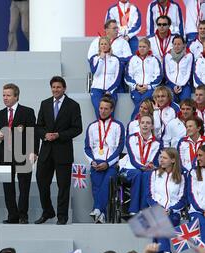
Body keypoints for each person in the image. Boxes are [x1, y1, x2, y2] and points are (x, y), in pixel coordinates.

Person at [35, 76, 82, 225]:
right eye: (53, 87)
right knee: (42, 182)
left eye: (58, 87)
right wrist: (44, 135)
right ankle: (47, 211)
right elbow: (38, 126)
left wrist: (59, 135)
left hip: (63, 152)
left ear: (64, 88)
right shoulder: (45, 103)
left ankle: (62, 216)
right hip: (46, 151)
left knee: (63, 186)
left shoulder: (73, 105)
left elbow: (77, 128)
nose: (55, 90)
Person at [0, 83, 38, 224]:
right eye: (3, 95)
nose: (5, 98)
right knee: (8, 187)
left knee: (24, 186)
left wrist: (34, 152)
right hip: (5, 155)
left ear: (16, 96)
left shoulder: (27, 112)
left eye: (8, 95)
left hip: (23, 154)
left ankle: (23, 215)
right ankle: (12, 216)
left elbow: (34, 134)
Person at [84, 96, 125, 224]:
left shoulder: (118, 126)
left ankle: (97, 209)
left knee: (107, 184)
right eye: (101, 108)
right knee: (96, 187)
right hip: (96, 163)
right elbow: (87, 148)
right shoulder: (92, 126)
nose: (102, 111)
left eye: (106, 109)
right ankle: (101, 215)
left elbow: (119, 148)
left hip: (111, 164)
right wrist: (92, 162)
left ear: (111, 110)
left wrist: (108, 163)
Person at [147, 148, 186, 253]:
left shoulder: (182, 177)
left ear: (173, 160)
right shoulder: (154, 174)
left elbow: (183, 199)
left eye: (164, 158)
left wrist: (170, 210)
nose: (161, 160)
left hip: (173, 214)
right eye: (161, 157)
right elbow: (149, 196)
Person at [121, 114, 161, 215]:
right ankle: (133, 209)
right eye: (142, 123)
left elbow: (155, 160)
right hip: (129, 169)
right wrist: (142, 167)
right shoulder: (131, 138)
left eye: (148, 123)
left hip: (147, 170)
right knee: (138, 173)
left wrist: (151, 166)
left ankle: (144, 209)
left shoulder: (157, 143)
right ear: (139, 124)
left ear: (152, 126)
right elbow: (133, 158)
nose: (145, 125)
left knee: (147, 175)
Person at [87, 19, 131, 93]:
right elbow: (90, 58)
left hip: (117, 72)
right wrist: (102, 58)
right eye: (114, 28)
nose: (117, 30)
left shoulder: (123, 42)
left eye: (117, 28)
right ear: (107, 30)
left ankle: (118, 89)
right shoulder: (97, 41)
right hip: (100, 72)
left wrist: (114, 60)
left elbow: (129, 58)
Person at [125, 38, 162, 119]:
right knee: (143, 105)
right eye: (140, 46)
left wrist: (148, 86)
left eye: (144, 47)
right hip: (136, 89)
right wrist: (136, 86)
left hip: (150, 89)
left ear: (149, 48)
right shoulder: (133, 59)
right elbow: (128, 76)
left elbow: (159, 76)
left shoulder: (154, 60)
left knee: (142, 104)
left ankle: (133, 121)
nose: (141, 48)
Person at [89, 36, 122, 118]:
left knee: (110, 114)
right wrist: (101, 59)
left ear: (109, 45)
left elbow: (118, 77)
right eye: (101, 44)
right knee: (99, 112)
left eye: (105, 44)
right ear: (99, 46)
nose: (103, 46)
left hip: (110, 91)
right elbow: (95, 73)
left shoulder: (116, 60)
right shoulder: (94, 58)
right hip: (96, 90)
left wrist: (110, 90)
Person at [164, 35, 194, 103]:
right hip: (171, 84)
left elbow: (189, 73)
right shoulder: (167, 56)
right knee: (170, 102)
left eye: (179, 44)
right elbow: (166, 74)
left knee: (186, 102)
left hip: (184, 84)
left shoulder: (189, 56)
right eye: (175, 44)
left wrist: (181, 85)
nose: (176, 46)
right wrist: (174, 86)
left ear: (184, 45)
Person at [187, 144, 205, 244]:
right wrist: (202, 210)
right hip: (196, 211)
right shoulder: (193, 173)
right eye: (197, 155)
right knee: (201, 222)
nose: (197, 158)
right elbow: (191, 195)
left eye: (200, 155)